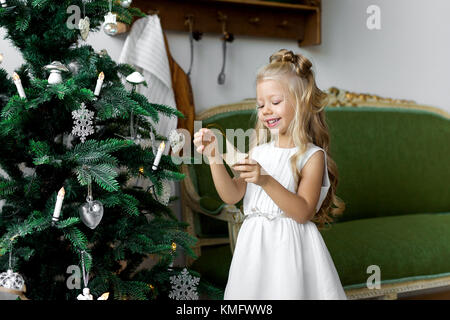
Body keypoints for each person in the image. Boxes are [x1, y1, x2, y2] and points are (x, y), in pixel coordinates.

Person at [193, 49, 347, 300]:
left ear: (302, 102)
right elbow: (232, 196)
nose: (265, 110)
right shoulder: (258, 151)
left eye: (275, 102)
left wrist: (265, 179)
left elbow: (303, 212)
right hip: (254, 247)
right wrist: (213, 157)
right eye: (260, 105)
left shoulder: (311, 156)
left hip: (291, 248)